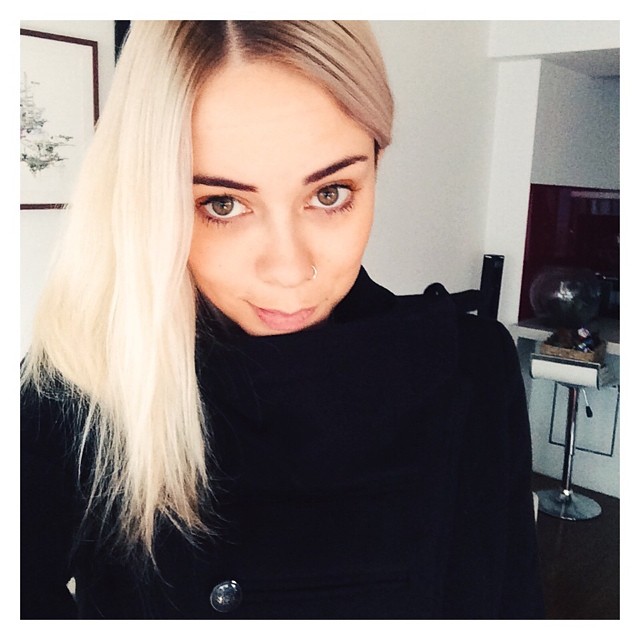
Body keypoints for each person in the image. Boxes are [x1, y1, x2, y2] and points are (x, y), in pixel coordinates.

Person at [20, 20, 544, 619]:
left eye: (330, 194)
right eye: (222, 204)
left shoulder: (471, 369)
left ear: (376, 165)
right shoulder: (82, 390)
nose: (291, 271)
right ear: (150, 201)